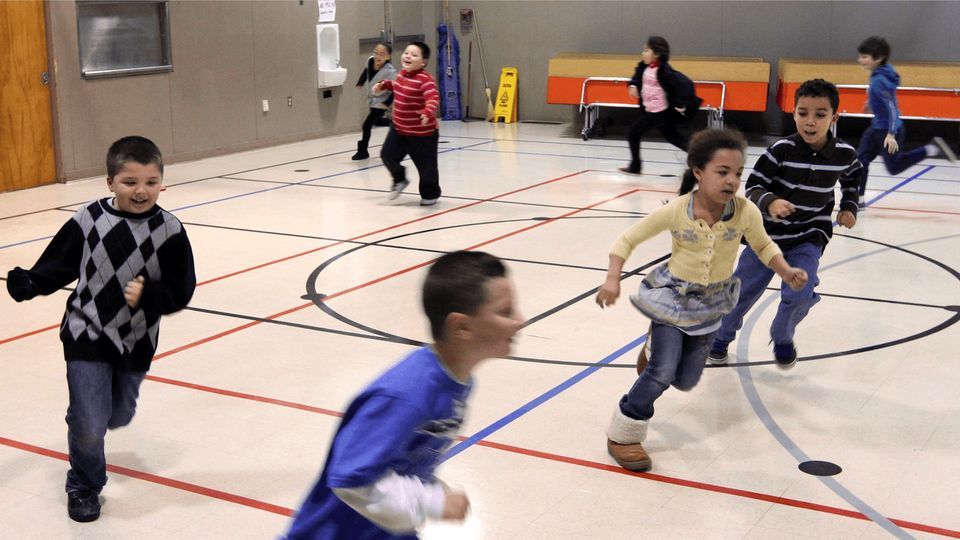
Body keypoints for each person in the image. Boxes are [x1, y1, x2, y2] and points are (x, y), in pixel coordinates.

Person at [5, 136, 196, 522]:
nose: (141, 191)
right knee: (91, 422)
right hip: (85, 330)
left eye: (150, 182)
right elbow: (59, 263)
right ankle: (84, 484)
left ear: (163, 182)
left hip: (136, 339)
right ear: (110, 182)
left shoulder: (170, 231)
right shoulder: (89, 218)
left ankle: (87, 415)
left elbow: (182, 290)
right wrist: (31, 283)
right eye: (129, 182)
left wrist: (151, 295)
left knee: (117, 415)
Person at [596, 129, 807, 472]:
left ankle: (650, 352)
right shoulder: (679, 210)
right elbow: (627, 238)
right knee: (662, 374)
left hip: (711, 303)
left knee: (686, 379)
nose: (732, 181)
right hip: (672, 299)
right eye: (722, 172)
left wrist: (785, 271)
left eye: (737, 173)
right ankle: (625, 431)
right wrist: (612, 279)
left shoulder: (745, 212)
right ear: (698, 172)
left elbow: (764, 246)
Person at [284, 251, 523, 539]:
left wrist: (432, 490)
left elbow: (404, 461)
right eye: (506, 311)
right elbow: (351, 477)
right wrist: (432, 502)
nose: (519, 321)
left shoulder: (458, 381)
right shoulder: (406, 394)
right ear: (462, 327)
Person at [708, 79, 863, 369]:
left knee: (801, 291)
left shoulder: (844, 154)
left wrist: (850, 207)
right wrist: (770, 202)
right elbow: (754, 186)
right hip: (766, 238)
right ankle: (720, 338)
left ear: (834, 117)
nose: (810, 121)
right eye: (802, 113)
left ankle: (782, 334)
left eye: (820, 114)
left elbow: (853, 177)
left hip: (809, 237)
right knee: (741, 291)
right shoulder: (781, 149)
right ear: (794, 114)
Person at [855, 36, 956, 206]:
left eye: (865, 56)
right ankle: (859, 199)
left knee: (894, 168)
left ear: (878, 58)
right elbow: (884, 99)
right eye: (860, 56)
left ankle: (931, 149)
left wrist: (891, 134)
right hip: (876, 129)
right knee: (860, 161)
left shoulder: (880, 80)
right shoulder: (882, 71)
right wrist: (871, 103)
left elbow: (893, 109)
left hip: (888, 131)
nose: (860, 60)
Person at [619, 35, 702, 176]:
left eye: (646, 50)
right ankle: (701, 158)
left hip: (659, 112)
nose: (643, 53)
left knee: (633, 132)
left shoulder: (665, 71)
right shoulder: (644, 67)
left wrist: (682, 102)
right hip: (652, 111)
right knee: (674, 137)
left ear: (656, 54)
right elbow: (637, 77)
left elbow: (685, 84)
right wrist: (633, 85)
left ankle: (635, 166)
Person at [372, 41, 442, 206]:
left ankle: (430, 193)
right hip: (399, 129)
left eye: (414, 54)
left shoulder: (425, 80)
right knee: (387, 155)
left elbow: (432, 98)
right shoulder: (402, 74)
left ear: (423, 61)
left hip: (422, 134)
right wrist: (384, 85)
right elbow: (397, 86)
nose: (408, 56)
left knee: (426, 168)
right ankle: (400, 178)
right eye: (406, 52)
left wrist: (427, 112)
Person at [352, 42, 397, 161]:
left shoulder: (390, 71)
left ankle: (362, 151)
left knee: (366, 125)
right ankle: (394, 123)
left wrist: (386, 103)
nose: (378, 56)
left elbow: (395, 91)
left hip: (382, 101)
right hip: (372, 99)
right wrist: (360, 82)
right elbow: (365, 72)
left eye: (382, 54)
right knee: (376, 122)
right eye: (376, 52)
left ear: (388, 56)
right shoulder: (370, 61)